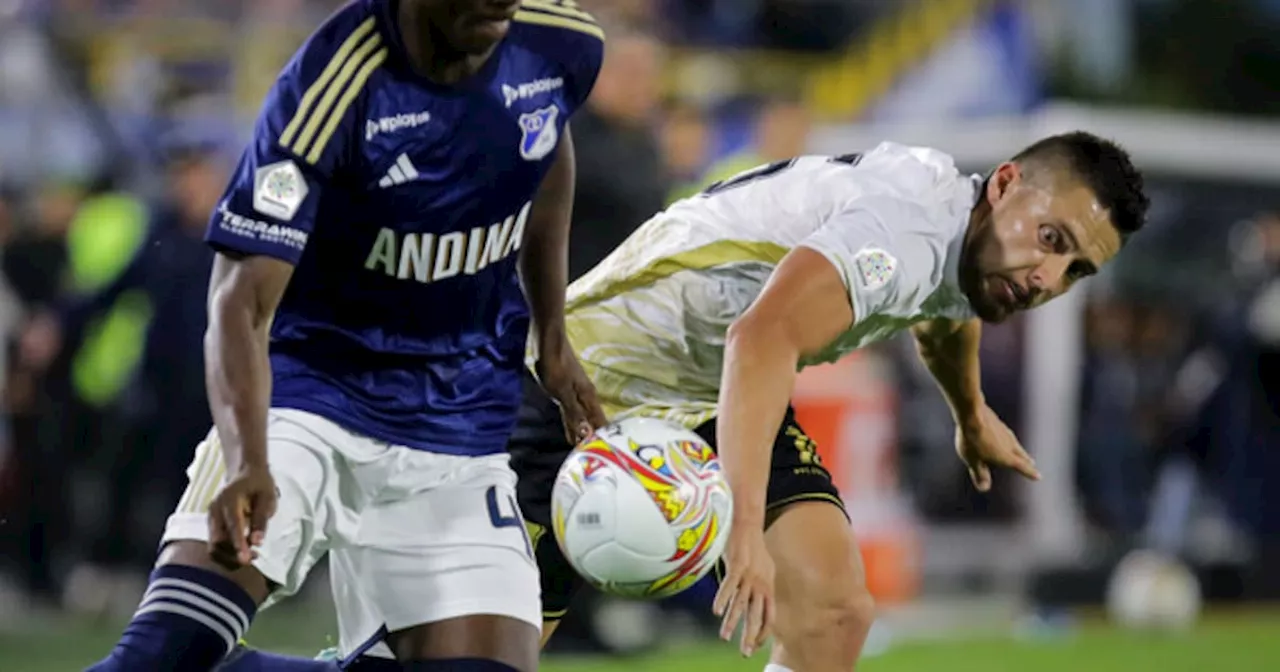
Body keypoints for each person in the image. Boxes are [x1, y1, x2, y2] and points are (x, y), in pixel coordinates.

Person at [87, 0, 605, 670]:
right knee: (166, 655)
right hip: (310, 400)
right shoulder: (329, 88)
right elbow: (239, 300)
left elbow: (544, 143)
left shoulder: (562, 43)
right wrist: (247, 458)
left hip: (459, 427)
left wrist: (553, 343)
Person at [508, 133, 1149, 671]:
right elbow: (760, 337)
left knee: (832, 613)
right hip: (585, 375)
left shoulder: (968, 234)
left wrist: (971, 411)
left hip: (711, 387)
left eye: (1075, 272)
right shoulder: (906, 229)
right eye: (1051, 238)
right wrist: (742, 529)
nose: (1047, 278)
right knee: (494, 647)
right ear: (1006, 183)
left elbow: (945, 315)